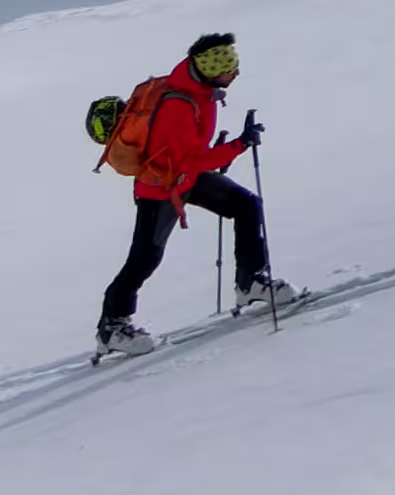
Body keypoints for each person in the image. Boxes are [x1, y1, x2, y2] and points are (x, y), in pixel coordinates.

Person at [96, 29, 280, 348]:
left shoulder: (200, 93)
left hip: (183, 179)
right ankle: (111, 327)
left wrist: (223, 149)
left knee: (246, 205)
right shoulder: (179, 103)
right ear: (208, 67)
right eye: (227, 66)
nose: (234, 72)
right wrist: (238, 145)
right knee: (145, 258)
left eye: (234, 64)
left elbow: (189, 155)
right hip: (160, 188)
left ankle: (252, 282)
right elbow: (184, 162)